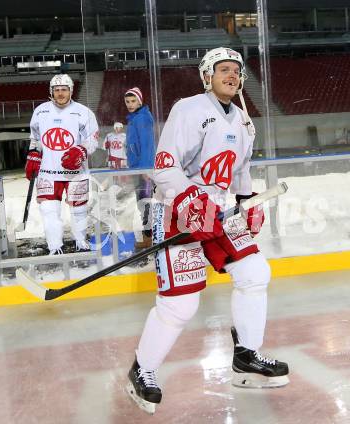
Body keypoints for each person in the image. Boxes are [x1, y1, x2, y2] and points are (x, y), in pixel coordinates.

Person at [126, 48, 289, 414]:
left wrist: (250, 202)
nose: (232, 75)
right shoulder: (189, 108)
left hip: (219, 209)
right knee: (181, 305)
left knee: (254, 272)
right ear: (206, 76)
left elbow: (241, 171)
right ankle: (143, 369)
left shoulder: (245, 121)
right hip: (178, 210)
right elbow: (164, 166)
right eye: (223, 70)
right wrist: (187, 198)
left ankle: (246, 355)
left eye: (236, 70)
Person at [25, 74, 99, 255]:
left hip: (76, 171)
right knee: (48, 210)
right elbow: (35, 138)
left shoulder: (84, 112)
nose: (60, 93)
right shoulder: (40, 111)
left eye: (64, 89)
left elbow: (93, 139)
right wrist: (33, 154)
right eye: (56, 90)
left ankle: (81, 242)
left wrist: (81, 150)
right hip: (48, 172)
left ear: (71, 91)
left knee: (79, 209)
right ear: (51, 91)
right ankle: (54, 246)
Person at [124, 87, 156, 249]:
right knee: (142, 202)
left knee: (145, 201)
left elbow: (147, 145)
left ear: (140, 101)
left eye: (133, 101)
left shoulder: (142, 118)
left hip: (143, 169)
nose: (130, 104)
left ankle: (149, 236)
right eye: (127, 102)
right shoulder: (135, 118)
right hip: (137, 168)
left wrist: (145, 169)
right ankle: (148, 234)